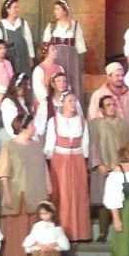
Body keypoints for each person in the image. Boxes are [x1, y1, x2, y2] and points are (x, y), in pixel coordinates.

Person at [0, 111, 49, 256]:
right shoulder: (9, 146)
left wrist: (48, 185)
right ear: (24, 127)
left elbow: (43, 167)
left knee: (34, 229)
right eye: (32, 125)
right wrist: (7, 195)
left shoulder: (36, 145)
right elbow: (3, 173)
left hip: (36, 192)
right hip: (18, 193)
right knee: (16, 231)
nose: (34, 127)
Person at [43, 89, 91, 242]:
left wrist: (83, 160)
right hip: (60, 160)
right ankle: (61, 231)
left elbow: (86, 146)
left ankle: (79, 232)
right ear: (62, 104)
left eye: (74, 101)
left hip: (77, 160)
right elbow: (49, 145)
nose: (73, 103)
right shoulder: (54, 121)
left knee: (77, 193)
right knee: (62, 194)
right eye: (70, 101)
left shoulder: (83, 122)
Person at [88, 89, 129, 242]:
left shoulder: (125, 125)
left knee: (120, 198)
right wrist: (99, 163)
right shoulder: (95, 125)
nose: (112, 107)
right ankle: (102, 232)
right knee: (103, 200)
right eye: (108, 105)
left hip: (120, 167)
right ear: (101, 109)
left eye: (113, 104)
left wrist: (124, 164)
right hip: (103, 166)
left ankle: (120, 229)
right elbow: (92, 145)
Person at [42, 0, 85, 100]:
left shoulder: (75, 25)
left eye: (58, 9)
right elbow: (45, 45)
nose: (55, 12)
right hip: (56, 59)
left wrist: (79, 66)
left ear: (65, 11)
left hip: (71, 60)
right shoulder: (52, 26)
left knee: (72, 82)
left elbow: (80, 47)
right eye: (55, 9)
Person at [0, 0, 35, 83]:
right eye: (15, 7)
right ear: (8, 10)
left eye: (18, 7)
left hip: (23, 58)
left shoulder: (23, 23)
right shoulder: (1, 26)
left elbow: (29, 42)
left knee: (24, 81)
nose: (17, 10)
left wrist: (31, 57)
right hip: (9, 60)